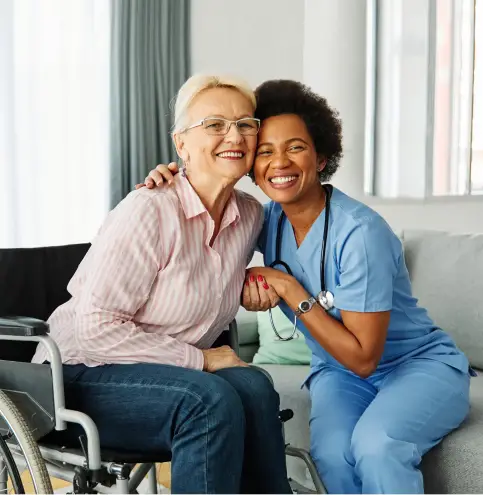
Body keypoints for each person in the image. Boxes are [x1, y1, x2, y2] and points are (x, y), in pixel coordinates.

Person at [140, 79, 472, 494]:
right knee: (331, 455)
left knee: (377, 446)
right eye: (265, 151)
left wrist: (288, 288)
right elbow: (203, 225)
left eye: (295, 147)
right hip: (337, 372)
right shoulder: (260, 221)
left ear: (321, 157)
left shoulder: (360, 233)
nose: (280, 162)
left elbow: (364, 358)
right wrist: (172, 178)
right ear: (252, 168)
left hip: (418, 368)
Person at [31, 74, 292, 494]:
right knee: (208, 399)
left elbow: (205, 270)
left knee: (256, 387)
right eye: (215, 125)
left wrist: (247, 282)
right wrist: (202, 360)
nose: (235, 135)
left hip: (167, 374)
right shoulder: (149, 209)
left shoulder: (249, 216)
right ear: (181, 145)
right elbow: (94, 330)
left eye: (246, 124)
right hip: (78, 376)